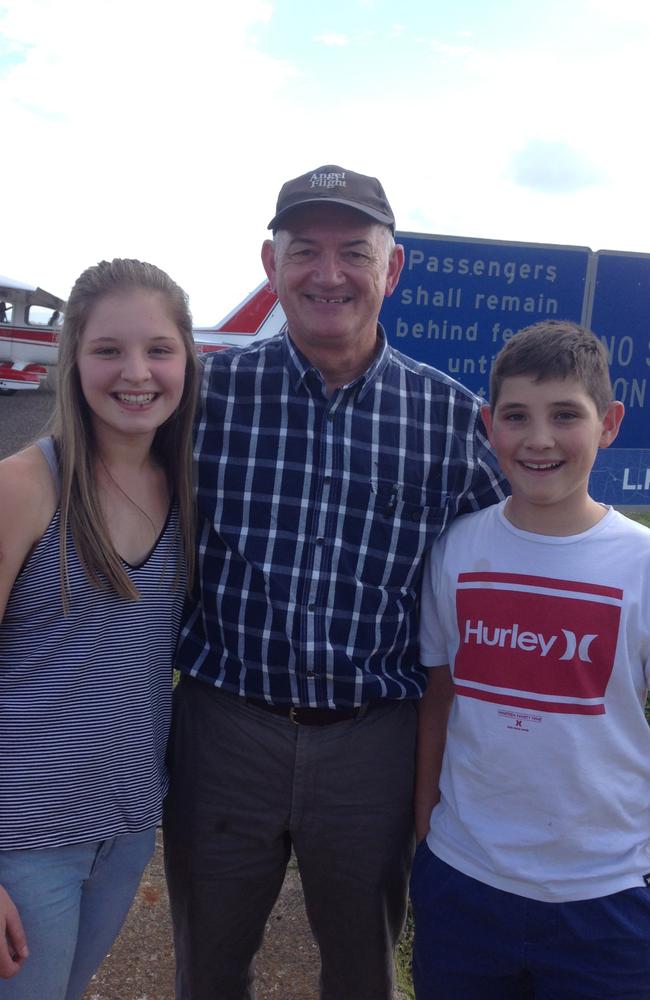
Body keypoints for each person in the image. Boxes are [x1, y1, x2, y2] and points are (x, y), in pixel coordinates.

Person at [163, 164, 507, 1000]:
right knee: (208, 966)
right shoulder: (201, 397)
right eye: (303, 250)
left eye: (354, 251)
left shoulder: (454, 420)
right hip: (224, 728)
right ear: (270, 264)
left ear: (392, 270)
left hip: (374, 743)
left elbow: (516, 559)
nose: (328, 274)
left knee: (361, 971)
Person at [411, 319, 650, 999]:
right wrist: (427, 827)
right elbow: (440, 694)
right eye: (517, 416)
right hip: (464, 881)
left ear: (608, 423)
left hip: (604, 897)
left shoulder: (639, 564)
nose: (539, 439)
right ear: (490, 425)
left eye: (565, 416)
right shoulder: (457, 549)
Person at [0, 258, 200, 999]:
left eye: (158, 349)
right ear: (74, 360)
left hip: (124, 829)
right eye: (108, 350)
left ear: (187, 359)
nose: (136, 372)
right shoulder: (24, 487)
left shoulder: (184, 490)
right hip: (22, 841)